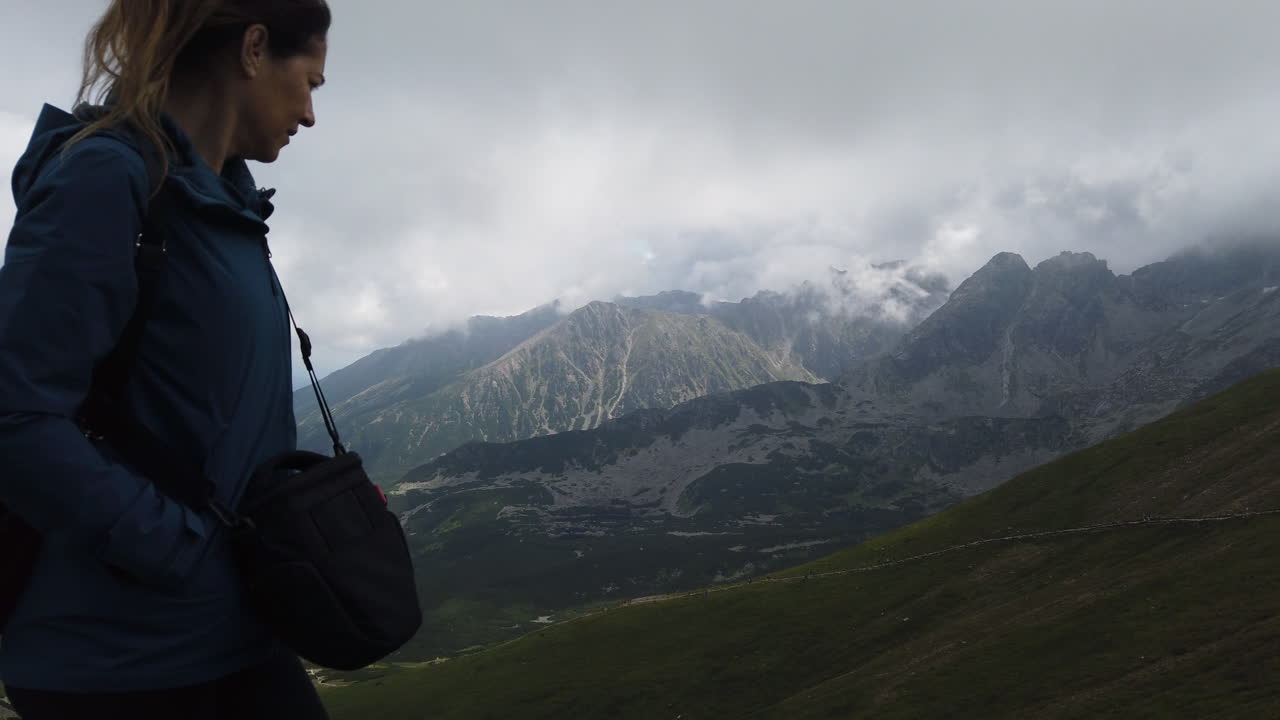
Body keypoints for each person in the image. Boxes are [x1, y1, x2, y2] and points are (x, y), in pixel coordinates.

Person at [0, 1, 332, 717]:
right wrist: (182, 550)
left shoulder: (227, 207)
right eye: (310, 81)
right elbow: (16, 417)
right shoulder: (104, 181)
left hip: (234, 632)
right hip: (118, 664)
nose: (309, 113)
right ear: (252, 49)